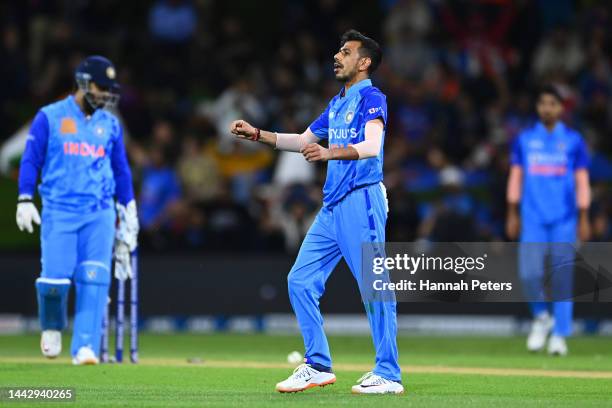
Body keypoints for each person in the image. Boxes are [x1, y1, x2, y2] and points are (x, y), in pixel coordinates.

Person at [230, 30, 403, 394]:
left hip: (362, 200)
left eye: (345, 51)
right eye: (338, 50)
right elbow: (304, 141)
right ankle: (318, 365)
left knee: (375, 287)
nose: (337, 56)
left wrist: (329, 154)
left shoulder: (372, 97)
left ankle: (388, 373)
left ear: (364, 62)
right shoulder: (337, 103)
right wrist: (259, 134)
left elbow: (373, 146)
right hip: (333, 206)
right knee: (300, 280)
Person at [16, 56, 139, 365]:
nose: (106, 94)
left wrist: (129, 207)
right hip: (60, 209)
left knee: (95, 278)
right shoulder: (50, 116)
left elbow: (121, 169)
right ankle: (52, 327)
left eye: (110, 88)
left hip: (99, 211)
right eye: (101, 87)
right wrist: (24, 198)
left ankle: (84, 346)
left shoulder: (109, 123)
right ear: (83, 83)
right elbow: (31, 159)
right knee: (54, 282)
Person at [506, 85, 591, 356]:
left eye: (552, 103)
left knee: (563, 276)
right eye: (542, 103)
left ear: (561, 108)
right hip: (532, 217)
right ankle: (542, 317)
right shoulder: (525, 139)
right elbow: (516, 176)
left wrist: (584, 216)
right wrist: (512, 212)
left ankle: (560, 335)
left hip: (565, 218)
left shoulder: (574, 140)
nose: (546, 108)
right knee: (529, 273)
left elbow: (582, 180)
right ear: (537, 107)